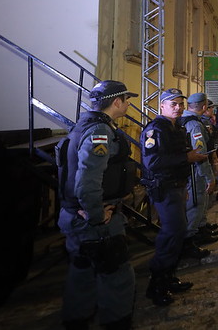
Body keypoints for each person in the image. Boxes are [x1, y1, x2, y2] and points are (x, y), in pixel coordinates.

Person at [57, 80, 137, 329]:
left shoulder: (84, 125)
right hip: (95, 221)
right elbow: (88, 179)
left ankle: (77, 321)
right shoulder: (99, 132)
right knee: (117, 276)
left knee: (82, 272)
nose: (128, 104)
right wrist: (95, 214)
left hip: (75, 216)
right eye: (126, 99)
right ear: (117, 102)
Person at [140, 88, 208, 306]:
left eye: (180, 103)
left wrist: (184, 183)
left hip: (176, 186)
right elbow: (152, 162)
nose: (178, 108)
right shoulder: (155, 130)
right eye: (173, 104)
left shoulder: (175, 127)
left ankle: (167, 277)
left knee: (177, 234)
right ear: (162, 106)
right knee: (172, 234)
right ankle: (157, 284)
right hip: (164, 188)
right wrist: (186, 157)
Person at [179, 93, 218, 248]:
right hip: (196, 171)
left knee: (201, 203)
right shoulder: (195, 125)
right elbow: (200, 153)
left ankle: (201, 229)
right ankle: (190, 239)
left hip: (191, 169)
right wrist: (209, 176)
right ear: (203, 107)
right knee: (196, 203)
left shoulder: (184, 120)